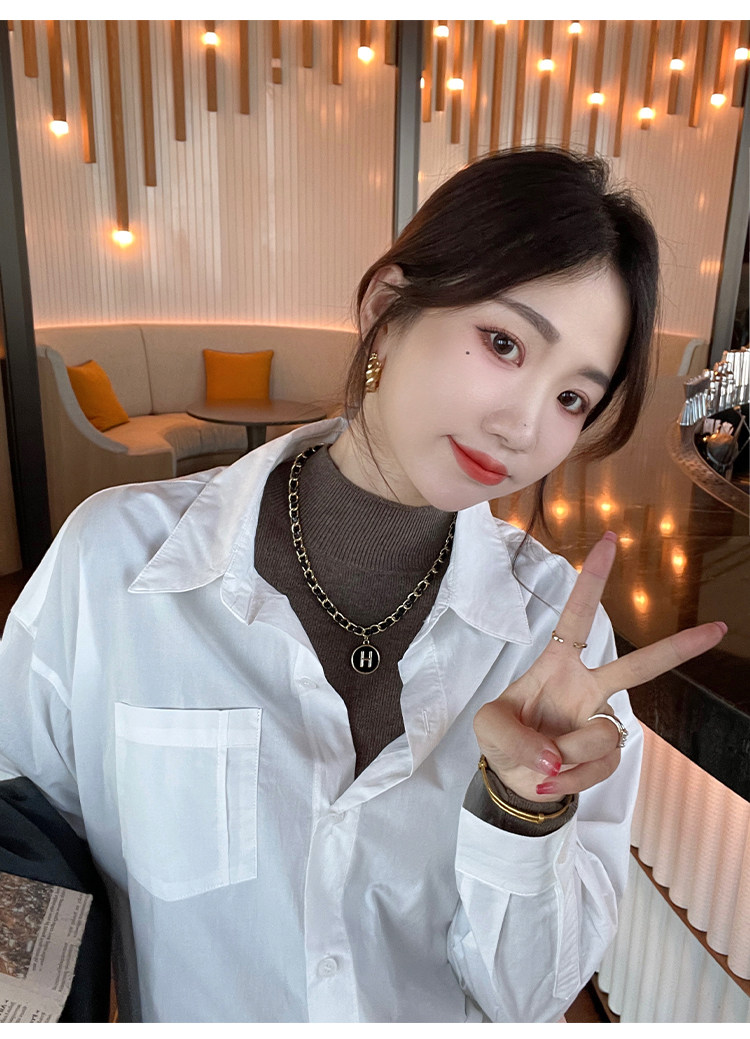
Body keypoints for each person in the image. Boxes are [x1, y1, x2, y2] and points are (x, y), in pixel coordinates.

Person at [0, 148, 726, 1023]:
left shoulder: (552, 639)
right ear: (387, 310)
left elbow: (527, 998)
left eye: (573, 398)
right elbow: (19, 851)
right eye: (504, 343)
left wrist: (520, 811)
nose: (524, 425)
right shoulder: (117, 565)